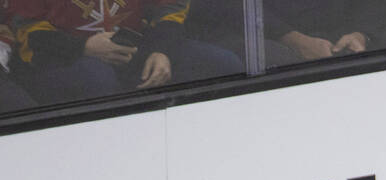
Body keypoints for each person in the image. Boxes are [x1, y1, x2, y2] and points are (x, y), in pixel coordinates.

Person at [7, 0, 241, 104]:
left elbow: (170, 8)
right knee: (97, 80)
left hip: (139, 49)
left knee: (222, 64)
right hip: (65, 61)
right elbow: (27, 31)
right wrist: (83, 48)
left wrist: (161, 51)